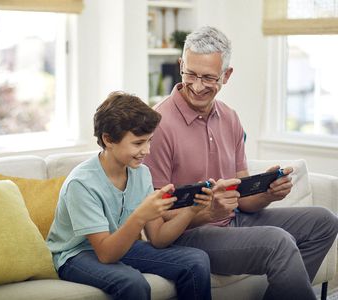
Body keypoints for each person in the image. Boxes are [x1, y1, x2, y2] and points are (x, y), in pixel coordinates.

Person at [143, 26, 338, 300]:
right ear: (181, 65)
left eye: (209, 77)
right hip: (190, 233)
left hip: (234, 221)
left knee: (324, 222)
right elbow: (158, 224)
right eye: (190, 74)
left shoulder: (230, 118)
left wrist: (267, 193)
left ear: (227, 75)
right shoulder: (158, 125)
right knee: (277, 243)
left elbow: (243, 200)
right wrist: (208, 212)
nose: (197, 86)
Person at [46, 91, 226, 300]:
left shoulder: (141, 174)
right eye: (138, 143)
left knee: (196, 260)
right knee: (132, 283)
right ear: (108, 139)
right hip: (76, 255)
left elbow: (158, 238)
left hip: (121, 245)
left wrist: (191, 210)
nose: (147, 150)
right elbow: (106, 254)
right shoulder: (81, 184)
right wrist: (141, 215)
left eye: (149, 141)